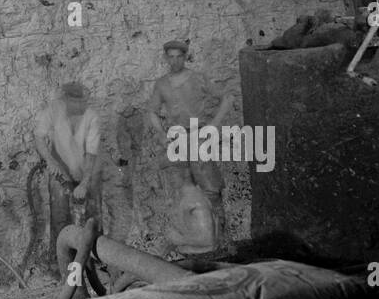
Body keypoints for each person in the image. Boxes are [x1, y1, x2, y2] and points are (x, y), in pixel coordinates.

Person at [121, 39, 234, 251]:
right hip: (178, 141)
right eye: (170, 57)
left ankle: (222, 241)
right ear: (166, 58)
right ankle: (192, 242)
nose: (174, 61)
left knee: (211, 190)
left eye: (178, 56)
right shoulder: (162, 84)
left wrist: (212, 127)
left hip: (199, 138)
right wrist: (162, 135)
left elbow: (227, 98)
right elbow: (152, 112)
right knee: (182, 192)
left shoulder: (198, 78)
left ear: (185, 57)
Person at [33, 82, 103, 252]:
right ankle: (60, 261)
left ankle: (93, 259)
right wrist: (50, 161)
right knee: (60, 217)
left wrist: (85, 183)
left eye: (82, 102)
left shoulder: (92, 117)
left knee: (91, 218)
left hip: (88, 171)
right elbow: (39, 137)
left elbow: (91, 154)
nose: (79, 106)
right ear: (65, 100)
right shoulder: (53, 110)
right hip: (60, 172)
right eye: (74, 101)